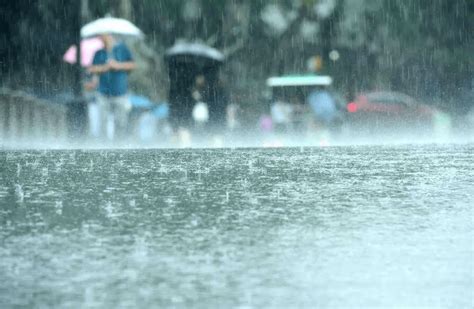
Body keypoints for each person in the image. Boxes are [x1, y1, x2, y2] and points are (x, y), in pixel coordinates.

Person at [89, 33, 135, 141]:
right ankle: (104, 146)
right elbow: (92, 69)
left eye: (102, 35)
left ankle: (118, 145)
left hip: (120, 92)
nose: (100, 38)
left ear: (109, 35)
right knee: (103, 122)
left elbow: (132, 65)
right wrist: (105, 68)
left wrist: (117, 65)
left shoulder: (122, 49)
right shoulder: (99, 53)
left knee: (120, 122)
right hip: (103, 92)